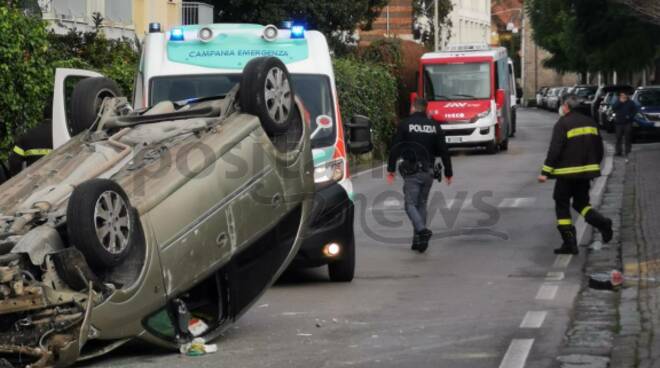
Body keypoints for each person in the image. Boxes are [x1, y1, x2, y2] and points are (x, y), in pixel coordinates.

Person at [538, 95, 613, 254]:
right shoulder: (591, 122)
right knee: (581, 204)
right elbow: (599, 148)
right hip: (585, 174)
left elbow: (555, 150)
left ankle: (569, 243)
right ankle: (603, 223)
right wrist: (593, 168)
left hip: (566, 174)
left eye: (562, 105)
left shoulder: (563, 123)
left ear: (566, 106)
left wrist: (545, 172)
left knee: (561, 203)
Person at [387, 98, 453, 253]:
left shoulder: (405, 124)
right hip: (429, 172)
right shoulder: (434, 126)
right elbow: (444, 150)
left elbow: (395, 147)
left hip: (412, 171)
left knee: (410, 205)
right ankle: (419, 241)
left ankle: (422, 231)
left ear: (413, 107)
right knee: (421, 204)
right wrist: (448, 172)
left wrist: (391, 169)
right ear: (426, 109)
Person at [8, 101, 53, 176]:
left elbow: (14, 161)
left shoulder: (27, 135)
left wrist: (19, 178)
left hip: (33, 182)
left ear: (43, 116)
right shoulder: (63, 133)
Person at [611, 91, 638, 157]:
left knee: (627, 137)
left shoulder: (631, 102)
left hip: (627, 122)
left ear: (627, 95)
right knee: (618, 137)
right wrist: (620, 102)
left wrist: (630, 116)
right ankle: (618, 151)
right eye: (621, 95)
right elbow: (613, 108)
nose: (623, 96)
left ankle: (627, 151)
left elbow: (635, 110)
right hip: (619, 122)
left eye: (624, 95)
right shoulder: (617, 101)